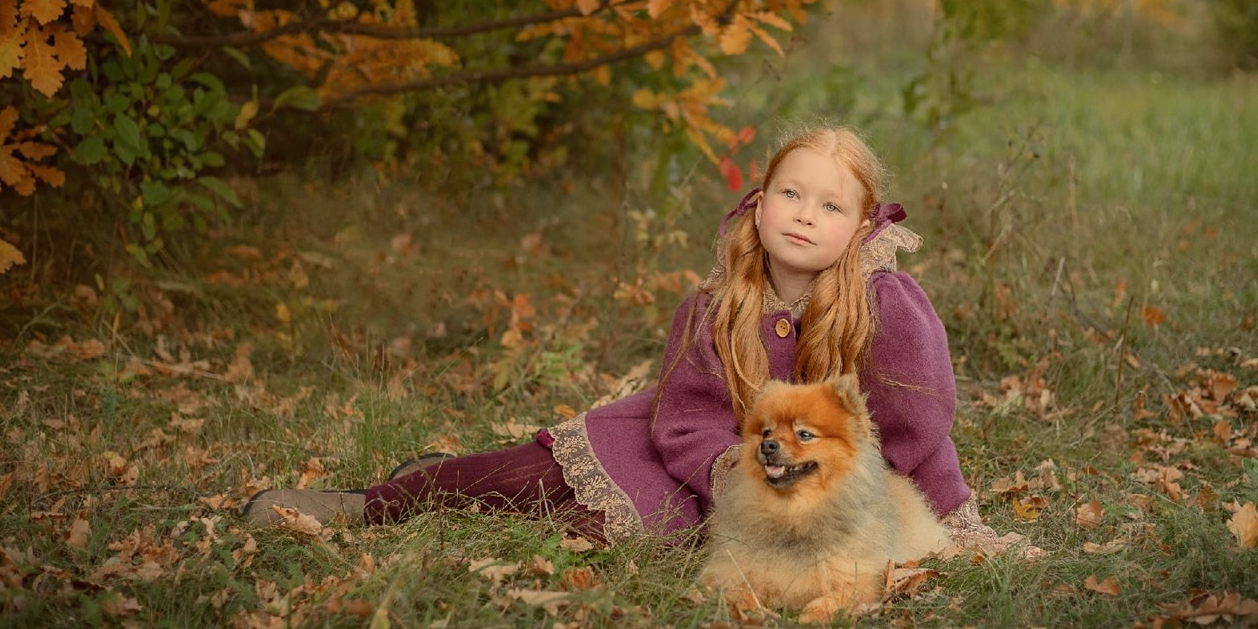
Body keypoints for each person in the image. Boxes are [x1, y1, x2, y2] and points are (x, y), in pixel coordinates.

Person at [243, 125, 1020, 554]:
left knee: (601, 534)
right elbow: (687, 415)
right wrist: (735, 470)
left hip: (824, 490)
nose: (805, 213)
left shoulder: (885, 306)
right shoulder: (716, 307)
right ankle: (384, 498)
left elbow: (919, 418)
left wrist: (833, 496)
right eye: (790, 192)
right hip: (703, 464)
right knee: (538, 477)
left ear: (860, 227)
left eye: (829, 204)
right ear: (758, 205)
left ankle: (448, 486)